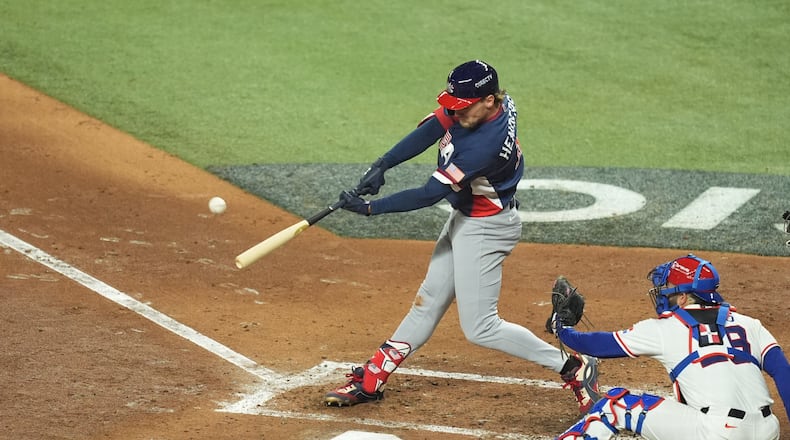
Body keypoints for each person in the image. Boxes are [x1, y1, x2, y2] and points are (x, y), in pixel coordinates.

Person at [323, 59, 600, 414]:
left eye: (462, 107)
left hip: (487, 228)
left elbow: (427, 194)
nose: (455, 113)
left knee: (481, 328)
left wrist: (369, 209)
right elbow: (437, 123)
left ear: (487, 101)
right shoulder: (488, 104)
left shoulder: (485, 145)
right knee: (428, 301)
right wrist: (384, 163)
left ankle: (575, 368)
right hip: (466, 218)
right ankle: (373, 375)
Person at [553, 254, 790, 440]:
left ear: (684, 298)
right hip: (768, 431)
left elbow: (598, 345)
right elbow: (784, 374)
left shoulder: (667, 328)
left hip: (716, 432)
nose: (663, 294)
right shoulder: (750, 324)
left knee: (613, 407)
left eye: (669, 289)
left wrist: (561, 327)